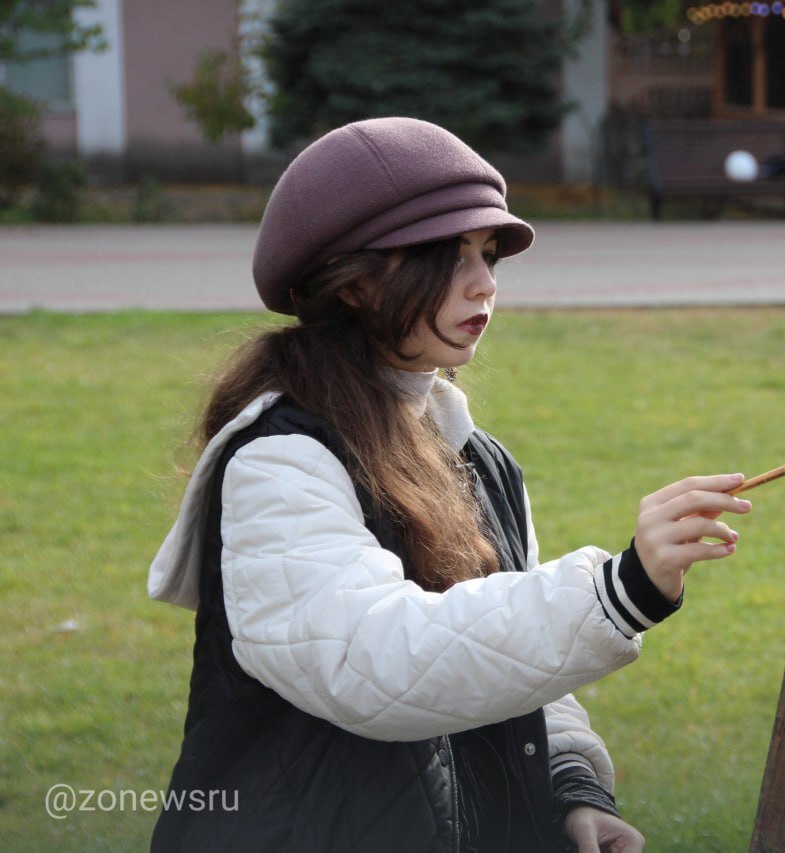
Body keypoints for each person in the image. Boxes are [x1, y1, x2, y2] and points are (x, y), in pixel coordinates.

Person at [146, 117, 752, 852]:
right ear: (356, 282)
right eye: (447, 254)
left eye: (487, 252)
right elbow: (372, 660)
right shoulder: (280, 460)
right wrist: (618, 592)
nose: (485, 281)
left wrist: (571, 790)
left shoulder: (479, 456)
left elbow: (513, 662)